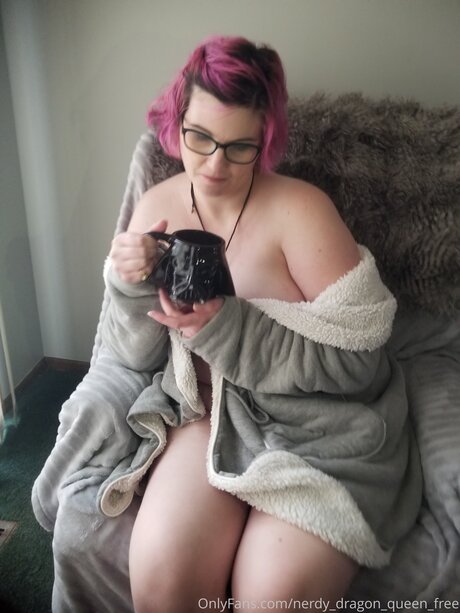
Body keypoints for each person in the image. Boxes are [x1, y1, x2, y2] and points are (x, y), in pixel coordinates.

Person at [102, 35, 421, 612]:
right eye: (199, 138)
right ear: (177, 122)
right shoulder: (155, 208)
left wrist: (230, 329)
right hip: (206, 412)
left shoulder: (303, 213)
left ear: (265, 138)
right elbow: (131, 356)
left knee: (275, 596)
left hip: (314, 427)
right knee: (163, 581)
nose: (214, 165)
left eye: (239, 146)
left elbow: (360, 361)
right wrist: (128, 285)